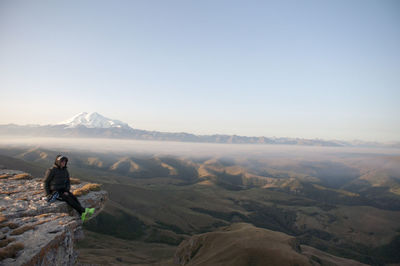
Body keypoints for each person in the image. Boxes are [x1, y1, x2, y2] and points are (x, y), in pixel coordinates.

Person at [44, 155, 94, 222]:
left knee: (73, 197)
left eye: (65, 161)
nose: (64, 163)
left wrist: (67, 190)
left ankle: (82, 213)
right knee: (68, 198)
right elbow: (46, 182)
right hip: (54, 191)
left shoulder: (65, 170)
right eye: (62, 162)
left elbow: (68, 181)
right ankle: (83, 211)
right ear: (58, 162)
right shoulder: (51, 170)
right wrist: (47, 194)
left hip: (63, 189)